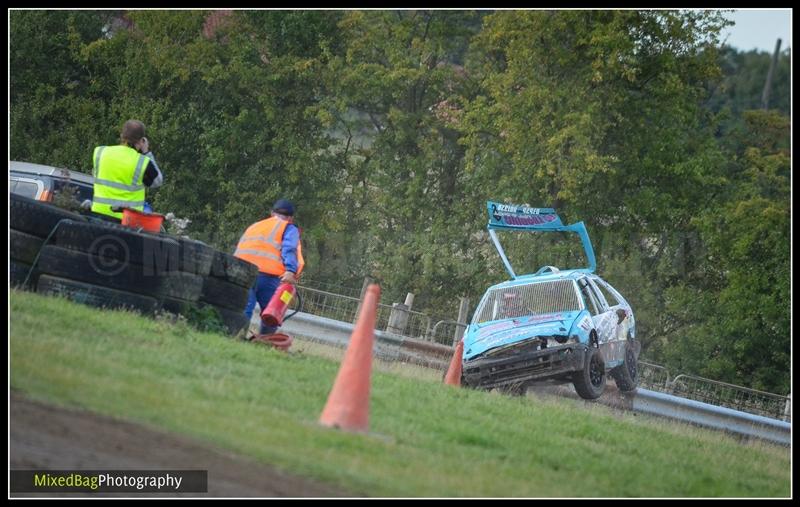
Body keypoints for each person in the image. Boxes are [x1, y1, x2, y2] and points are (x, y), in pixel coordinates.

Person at [235, 199, 305, 338]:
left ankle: (237, 337)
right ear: (291, 218)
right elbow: (289, 249)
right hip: (266, 277)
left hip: (241, 272)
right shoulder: (289, 228)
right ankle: (264, 342)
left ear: (272, 213)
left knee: (244, 308)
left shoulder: (255, 225)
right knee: (272, 312)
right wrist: (290, 271)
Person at [91, 119, 164, 220]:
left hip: (98, 216)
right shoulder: (142, 162)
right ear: (142, 140)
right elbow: (158, 181)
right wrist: (146, 152)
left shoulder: (100, 152)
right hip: (127, 222)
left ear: (122, 136)